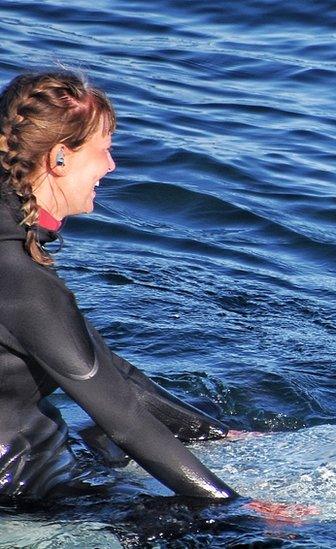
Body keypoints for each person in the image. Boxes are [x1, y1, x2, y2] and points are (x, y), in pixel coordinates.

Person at [0, 70, 236, 500]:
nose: (111, 165)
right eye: (103, 150)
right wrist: (240, 508)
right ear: (59, 158)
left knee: (103, 444)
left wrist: (217, 435)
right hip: (26, 496)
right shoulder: (23, 283)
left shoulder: (13, 253)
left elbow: (104, 368)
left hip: (30, 467)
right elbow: (123, 419)